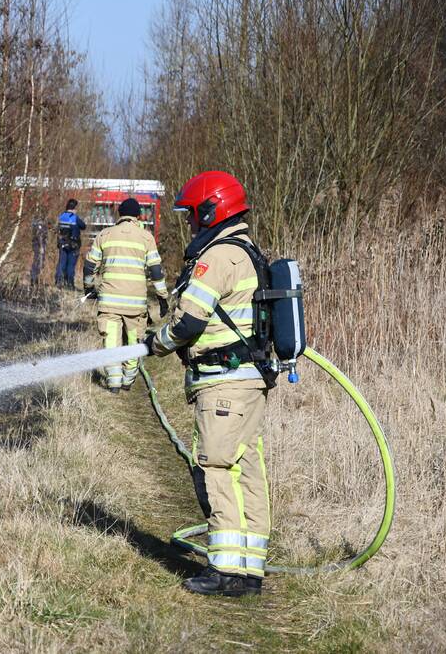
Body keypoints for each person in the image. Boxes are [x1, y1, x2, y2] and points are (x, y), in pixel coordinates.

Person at [144, 171, 270, 597]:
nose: (192, 226)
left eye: (194, 216)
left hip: (223, 385)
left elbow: (189, 321)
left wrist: (154, 344)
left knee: (217, 468)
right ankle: (250, 571)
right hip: (248, 383)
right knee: (246, 469)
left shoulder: (217, 257)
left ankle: (225, 572)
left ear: (211, 210)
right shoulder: (248, 250)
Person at [83, 197, 169, 393]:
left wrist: (88, 289)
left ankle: (113, 384)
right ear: (138, 215)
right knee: (133, 340)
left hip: (109, 302)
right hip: (135, 304)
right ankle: (128, 380)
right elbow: (156, 271)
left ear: (119, 214)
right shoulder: (146, 237)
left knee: (111, 340)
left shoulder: (105, 235)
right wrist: (162, 298)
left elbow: (89, 266)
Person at [54, 199, 86, 289]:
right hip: (73, 245)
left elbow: (58, 229)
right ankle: (70, 284)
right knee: (71, 265)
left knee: (61, 263)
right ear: (74, 208)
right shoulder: (75, 218)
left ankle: (58, 282)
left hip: (62, 243)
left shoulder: (61, 216)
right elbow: (83, 226)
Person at [30, 214, 47, 288]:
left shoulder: (34, 223)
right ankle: (34, 279)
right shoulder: (40, 225)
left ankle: (35, 279)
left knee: (37, 262)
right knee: (38, 263)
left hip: (35, 245)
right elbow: (40, 236)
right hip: (39, 246)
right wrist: (41, 247)